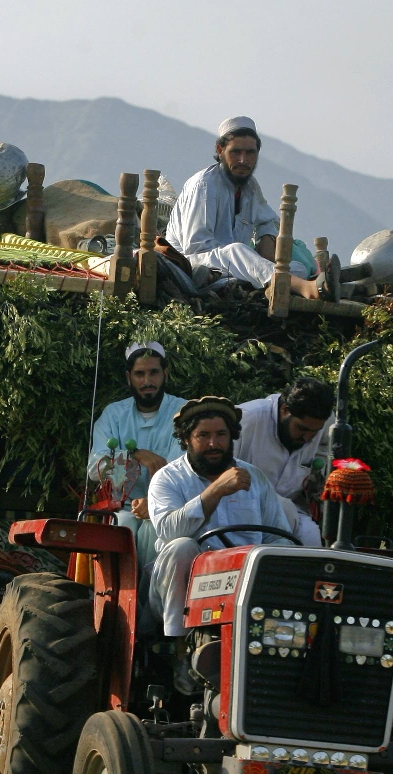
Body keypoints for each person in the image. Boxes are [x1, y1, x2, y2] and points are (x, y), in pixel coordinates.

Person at [165, 116, 362, 301]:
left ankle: (293, 283)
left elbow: (268, 219)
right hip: (193, 265)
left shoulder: (250, 188)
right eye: (235, 152)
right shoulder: (204, 185)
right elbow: (196, 246)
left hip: (234, 267)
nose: (243, 160)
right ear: (220, 150)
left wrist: (265, 239)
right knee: (238, 251)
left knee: (297, 268)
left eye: (250, 153)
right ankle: (309, 289)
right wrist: (247, 260)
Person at [148, 397, 293, 642]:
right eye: (203, 435)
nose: (213, 444)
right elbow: (169, 532)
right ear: (186, 439)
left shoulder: (254, 478)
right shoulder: (167, 479)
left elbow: (279, 537)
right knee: (181, 546)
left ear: (232, 436)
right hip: (185, 588)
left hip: (244, 583)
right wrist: (215, 491)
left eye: (221, 435)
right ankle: (177, 647)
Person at [88, 342, 187, 566]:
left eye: (153, 372)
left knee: (155, 529)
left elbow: (182, 469)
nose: (147, 382)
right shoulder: (113, 414)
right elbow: (95, 470)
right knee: (122, 529)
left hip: (170, 506)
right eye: (139, 374)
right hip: (123, 507)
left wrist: (153, 502)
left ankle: (147, 600)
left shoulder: (184, 413)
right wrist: (135, 455)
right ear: (128, 377)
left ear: (166, 374)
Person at [235, 377, 335, 547]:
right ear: (285, 410)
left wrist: (318, 475)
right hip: (241, 511)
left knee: (312, 538)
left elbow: (326, 450)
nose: (308, 438)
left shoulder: (326, 422)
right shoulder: (247, 420)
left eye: (314, 432)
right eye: (302, 429)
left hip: (295, 512)